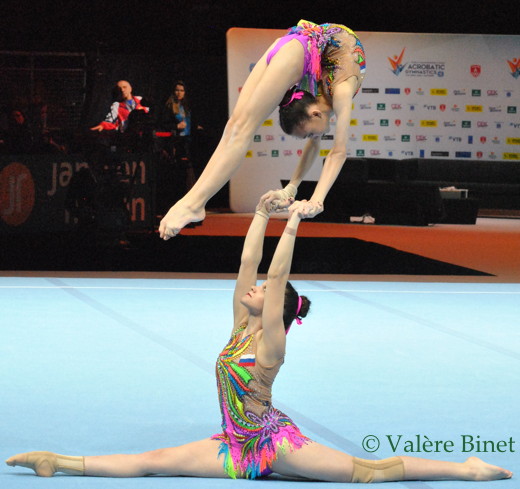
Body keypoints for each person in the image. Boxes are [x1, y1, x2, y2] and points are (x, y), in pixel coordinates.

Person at [5, 194, 513, 483]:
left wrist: (292, 226)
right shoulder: (238, 328)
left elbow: (276, 273)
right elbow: (249, 263)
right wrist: (262, 216)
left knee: (367, 472)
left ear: (275, 308)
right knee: (151, 462)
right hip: (233, 444)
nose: (254, 287)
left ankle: (465, 469)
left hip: (273, 445)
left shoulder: (271, 344)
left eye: (265, 290)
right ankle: (57, 460)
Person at [159, 20, 367, 239]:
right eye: (309, 134)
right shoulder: (342, 92)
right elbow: (338, 152)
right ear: (315, 114)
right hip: (298, 52)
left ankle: (191, 201)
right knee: (242, 128)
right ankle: (194, 204)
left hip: (288, 43)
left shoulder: (317, 99)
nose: (314, 137)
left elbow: (314, 146)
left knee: (235, 126)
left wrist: (291, 188)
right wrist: (317, 201)